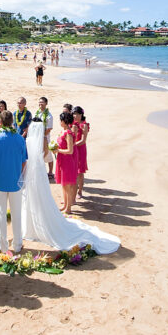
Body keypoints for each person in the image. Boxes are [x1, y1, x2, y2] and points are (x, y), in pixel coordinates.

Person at [21, 115, 119, 254]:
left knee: (32, 193)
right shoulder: (42, 139)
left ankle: (30, 225)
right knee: (41, 193)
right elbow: (45, 154)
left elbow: (26, 154)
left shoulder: (28, 139)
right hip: (38, 168)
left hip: (30, 169)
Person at [0, 110, 27, 254]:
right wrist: (19, 175)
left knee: (0, 213)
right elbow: (23, 162)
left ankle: (3, 245)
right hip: (15, 181)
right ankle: (17, 243)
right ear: (12, 122)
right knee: (16, 213)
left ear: (0, 123)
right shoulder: (19, 139)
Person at [53, 112, 79, 213]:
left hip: (67, 161)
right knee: (63, 184)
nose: (59, 122)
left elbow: (70, 150)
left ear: (64, 121)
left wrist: (58, 151)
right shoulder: (63, 131)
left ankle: (68, 208)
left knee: (67, 184)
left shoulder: (68, 133)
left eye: (60, 120)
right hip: (62, 160)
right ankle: (65, 205)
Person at [73, 106, 89, 199]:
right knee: (73, 170)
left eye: (77, 114)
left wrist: (73, 145)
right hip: (74, 149)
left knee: (80, 171)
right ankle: (73, 192)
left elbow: (83, 140)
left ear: (81, 115)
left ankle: (80, 191)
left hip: (80, 150)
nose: (75, 116)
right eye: (74, 114)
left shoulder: (84, 125)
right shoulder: (73, 124)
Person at [37, 96, 55, 179]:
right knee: (40, 154)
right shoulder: (37, 113)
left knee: (48, 155)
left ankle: (50, 172)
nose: (40, 104)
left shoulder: (49, 116)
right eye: (39, 102)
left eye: (42, 102)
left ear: (46, 104)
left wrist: (42, 135)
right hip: (37, 137)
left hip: (45, 138)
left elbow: (49, 128)